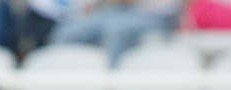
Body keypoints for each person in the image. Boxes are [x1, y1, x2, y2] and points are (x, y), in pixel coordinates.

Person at [53, 0, 182, 66]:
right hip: (114, 11)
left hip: (156, 15)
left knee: (115, 31)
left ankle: (110, 88)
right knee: (64, 33)